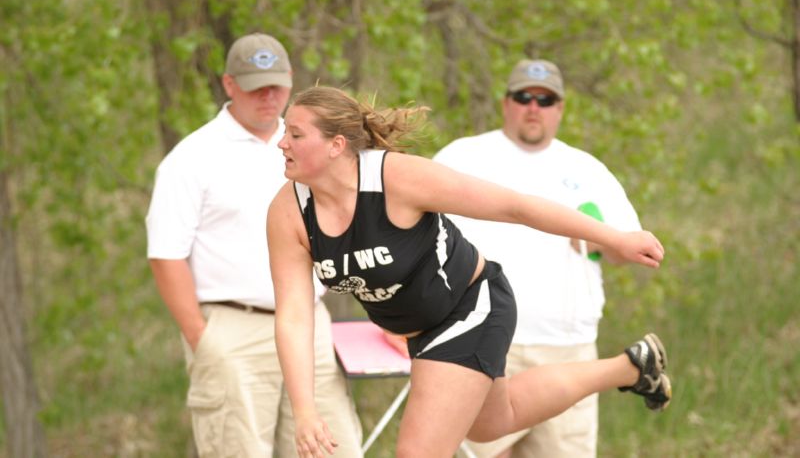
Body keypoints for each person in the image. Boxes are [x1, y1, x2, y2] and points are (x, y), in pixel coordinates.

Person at [266, 86, 672, 458]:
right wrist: (305, 411)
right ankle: (630, 367)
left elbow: (516, 207)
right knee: (493, 422)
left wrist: (617, 238)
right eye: (286, 132)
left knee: (417, 454)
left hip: (470, 306)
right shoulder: (288, 213)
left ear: (336, 145)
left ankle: (628, 367)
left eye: (296, 135)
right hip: (420, 328)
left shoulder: (397, 178)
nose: (282, 142)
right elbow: (295, 315)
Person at [145, 35, 362, 457]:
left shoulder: (313, 146)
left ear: (291, 82)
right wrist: (202, 339)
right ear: (229, 84)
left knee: (334, 449)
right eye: (254, 85)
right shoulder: (190, 159)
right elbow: (165, 255)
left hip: (309, 325)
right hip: (233, 331)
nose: (268, 96)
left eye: (276, 85)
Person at [435, 59, 648, 457]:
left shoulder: (587, 169)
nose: (534, 107)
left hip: (567, 349)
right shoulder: (462, 156)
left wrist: (600, 240)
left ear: (561, 108)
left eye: (546, 99)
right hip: (483, 344)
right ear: (506, 103)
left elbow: (626, 249)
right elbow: (419, 237)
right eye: (524, 97)